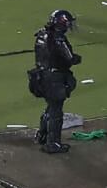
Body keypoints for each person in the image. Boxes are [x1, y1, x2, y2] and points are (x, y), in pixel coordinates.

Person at [30, 9, 80, 154]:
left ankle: (42, 135)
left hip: (41, 76)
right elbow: (70, 58)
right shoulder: (58, 39)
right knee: (56, 112)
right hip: (55, 78)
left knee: (50, 107)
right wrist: (77, 59)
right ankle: (53, 143)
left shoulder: (41, 34)